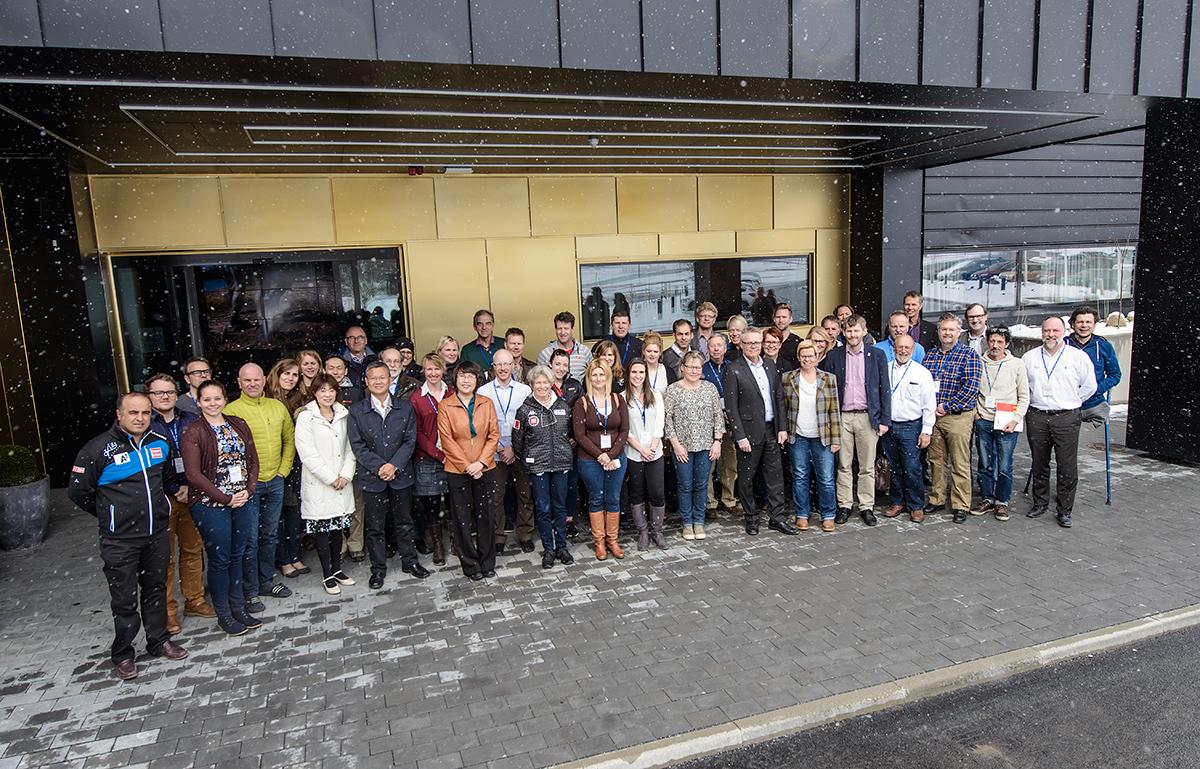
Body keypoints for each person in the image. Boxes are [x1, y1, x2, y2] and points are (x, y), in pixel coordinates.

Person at [69, 392, 189, 680]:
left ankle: (158, 641)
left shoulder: (159, 444)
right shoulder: (97, 449)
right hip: (120, 540)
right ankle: (123, 654)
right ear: (119, 414)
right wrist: (111, 515)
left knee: (156, 589)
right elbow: (78, 492)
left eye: (145, 413)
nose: (140, 418)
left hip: (156, 533)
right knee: (123, 599)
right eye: (133, 413)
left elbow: (167, 479)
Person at [181, 380, 262, 637]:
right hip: (210, 504)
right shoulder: (193, 431)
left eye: (217, 398)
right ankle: (224, 613)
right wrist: (225, 498)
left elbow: (253, 460)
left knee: (238, 554)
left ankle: (238, 608)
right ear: (199, 402)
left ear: (225, 399)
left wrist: (248, 490)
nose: (213, 403)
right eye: (207, 399)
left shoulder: (238, 424)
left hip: (242, 500)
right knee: (220, 559)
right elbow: (193, 475)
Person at [347, 361, 430, 588]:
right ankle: (378, 569)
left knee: (404, 521)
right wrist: (380, 467)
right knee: (375, 527)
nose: (377, 381)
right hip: (373, 479)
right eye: (372, 378)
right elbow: (358, 445)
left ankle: (410, 562)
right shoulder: (356, 411)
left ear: (390, 379)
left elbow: (410, 440)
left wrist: (394, 465)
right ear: (366, 381)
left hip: (400, 475)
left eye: (382, 377)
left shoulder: (404, 408)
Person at [145, 374, 214, 636]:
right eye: (158, 393)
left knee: (193, 550)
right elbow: (150, 466)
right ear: (149, 396)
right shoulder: (145, 425)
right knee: (165, 557)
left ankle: (195, 600)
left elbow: (205, 453)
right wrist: (175, 488)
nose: (165, 396)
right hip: (162, 498)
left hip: (192, 493)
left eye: (169, 392)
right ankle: (168, 612)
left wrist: (192, 486)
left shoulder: (191, 420)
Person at [223, 363, 296, 606]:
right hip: (247, 486)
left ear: (265, 380)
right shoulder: (230, 411)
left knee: (270, 534)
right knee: (249, 539)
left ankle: (267, 581)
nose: (253, 384)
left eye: (257, 379)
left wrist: (283, 471)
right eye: (247, 380)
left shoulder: (277, 407)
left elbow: (290, 440)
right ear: (239, 382)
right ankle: (250, 589)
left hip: (274, 480)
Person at [1022, 316, 1097, 528]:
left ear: (1063, 332)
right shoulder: (1030, 357)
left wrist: (1072, 402)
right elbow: (1024, 387)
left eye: (1055, 331)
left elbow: (1089, 386)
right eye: (1047, 331)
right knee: (1039, 462)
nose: (1051, 335)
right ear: (1041, 332)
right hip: (1037, 415)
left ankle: (1064, 509)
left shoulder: (1077, 357)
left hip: (1066, 416)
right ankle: (1040, 503)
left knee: (1067, 465)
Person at [819, 314, 891, 526]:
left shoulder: (876, 356)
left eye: (856, 330)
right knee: (843, 465)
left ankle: (867, 506)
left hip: (868, 417)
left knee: (867, 466)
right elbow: (828, 391)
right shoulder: (834, 356)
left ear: (864, 331)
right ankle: (844, 505)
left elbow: (884, 389)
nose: (852, 334)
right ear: (843, 332)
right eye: (849, 331)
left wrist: (884, 420)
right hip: (842, 417)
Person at [723, 328, 794, 536]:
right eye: (749, 343)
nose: (753, 346)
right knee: (746, 479)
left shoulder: (770, 365)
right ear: (741, 345)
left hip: (772, 429)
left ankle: (777, 518)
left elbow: (779, 398)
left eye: (757, 343)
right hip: (748, 433)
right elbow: (731, 407)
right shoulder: (734, 369)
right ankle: (752, 517)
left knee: (775, 477)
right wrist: (740, 436)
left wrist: (782, 428)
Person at [293, 374, 357, 595]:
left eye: (331, 390)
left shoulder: (344, 413)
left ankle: (338, 570)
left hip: (342, 480)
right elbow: (307, 454)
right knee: (322, 531)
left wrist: (345, 475)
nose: (327, 395)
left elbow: (351, 447)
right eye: (322, 391)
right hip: (320, 483)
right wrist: (331, 478)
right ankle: (327, 574)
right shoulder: (305, 417)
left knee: (338, 528)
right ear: (315, 393)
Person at [438, 360, 501, 581]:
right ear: (455, 379)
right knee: (462, 518)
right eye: (462, 376)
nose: (466, 380)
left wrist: (481, 463)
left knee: (486, 515)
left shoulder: (486, 403)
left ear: (477, 380)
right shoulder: (446, 406)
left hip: (485, 468)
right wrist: (467, 465)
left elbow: (494, 435)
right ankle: (470, 564)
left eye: (471, 376)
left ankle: (487, 561)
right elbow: (447, 440)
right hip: (457, 471)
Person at [512, 365, 576, 568]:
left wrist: (564, 451)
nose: (542, 386)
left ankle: (562, 547)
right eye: (537, 382)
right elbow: (517, 442)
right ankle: (548, 549)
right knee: (543, 508)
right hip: (538, 466)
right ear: (531, 385)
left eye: (545, 382)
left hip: (561, 464)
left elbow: (572, 435)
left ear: (551, 384)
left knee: (560, 506)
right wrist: (530, 459)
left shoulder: (563, 406)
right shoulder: (524, 410)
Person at [923, 313, 984, 523]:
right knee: (936, 461)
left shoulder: (969, 355)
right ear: (938, 331)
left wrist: (947, 407)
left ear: (959, 332)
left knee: (960, 462)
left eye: (951, 329)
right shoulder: (930, 355)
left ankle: (960, 504)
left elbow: (971, 387)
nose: (947, 333)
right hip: (934, 417)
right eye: (944, 329)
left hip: (957, 417)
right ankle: (937, 498)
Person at [478, 349, 535, 555]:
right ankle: (498, 536)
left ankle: (525, 534)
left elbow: (530, 424)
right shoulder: (483, 392)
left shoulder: (524, 391)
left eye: (507, 364)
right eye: (499, 364)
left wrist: (513, 448)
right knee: (495, 497)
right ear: (493, 367)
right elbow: (480, 426)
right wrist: (500, 448)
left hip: (519, 451)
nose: (503, 368)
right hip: (494, 452)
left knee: (525, 494)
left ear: (514, 366)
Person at [663, 351, 725, 541]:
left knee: (701, 484)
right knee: (685, 485)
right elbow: (667, 420)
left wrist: (718, 441)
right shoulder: (673, 390)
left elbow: (718, 416)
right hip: (682, 447)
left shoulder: (710, 388)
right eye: (689, 366)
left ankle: (699, 521)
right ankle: (687, 523)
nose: (693, 370)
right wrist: (675, 444)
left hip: (706, 446)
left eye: (697, 367)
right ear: (682, 367)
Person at [781, 341, 842, 532]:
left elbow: (834, 409)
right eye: (803, 355)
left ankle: (828, 515)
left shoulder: (828, 379)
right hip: (797, 435)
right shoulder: (787, 378)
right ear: (798, 357)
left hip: (822, 436)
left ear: (817, 357)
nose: (807, 359)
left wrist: (836, 438)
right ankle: (802, 514)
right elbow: (783, 408)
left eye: (811, 356)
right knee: (800, 476)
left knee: (826, 477)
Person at [573, 359, 630, 559]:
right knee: (596, 497)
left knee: (613, 498)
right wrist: (600, 455)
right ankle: (599, 543)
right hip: (590, 460)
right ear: (589, 378)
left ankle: (613, 541)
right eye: (594, 375)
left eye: (602, 374)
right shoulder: (582, 403)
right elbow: (579, 435)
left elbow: (624, 430)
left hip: (616, 457)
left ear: (608, 376)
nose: (598, 378)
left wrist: (611, 454)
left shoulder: (617, 399)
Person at [973, 326, 1029, 522]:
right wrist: (975, 414)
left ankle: (1002, 501)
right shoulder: (978, 362)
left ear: (1006, 344)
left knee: (1004, 465)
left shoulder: (1017, 365)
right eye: (992, 341)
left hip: (1007, 422)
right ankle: (987, 497)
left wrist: (1016, 419)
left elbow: (1024, 395)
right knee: (984, 463)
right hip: (984, 420)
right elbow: (972, 390)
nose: (995, 345)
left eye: (999, 342)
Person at [879, 335, 936, 523]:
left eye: (907, 348)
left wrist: (926, 430)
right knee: (893, 467)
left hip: (911, 426)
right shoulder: (884, 370)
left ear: (913, 349)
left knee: (912, 467)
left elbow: (929, 405)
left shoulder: (921, 373)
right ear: (894, 348)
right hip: (889, 426)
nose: (903, 351)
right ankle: (897, 502)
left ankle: (916, 505)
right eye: (900, 347)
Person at [265, 358, 308, 580]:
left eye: (295, 375)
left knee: (294, 512)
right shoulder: (267, 399)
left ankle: (294, 555)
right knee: (276, 516)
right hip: (275, 465)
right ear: (277, 374)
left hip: (296, 464)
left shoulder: (299, 399)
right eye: (287, 374)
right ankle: (283, 560)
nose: (291, 379)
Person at [411, 353, 453, 566]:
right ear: (423, 371)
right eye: (429, 369)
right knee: (431, 504)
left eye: (437, 369)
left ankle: (456, 540)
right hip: (428, 458)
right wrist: (437, 454)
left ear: (443, 370)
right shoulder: (417, 397)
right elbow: (417, 433)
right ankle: (437, 544)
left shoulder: (452, 393)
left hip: (454, 456)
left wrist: (451, 453)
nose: (433, 373)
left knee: (455, 501)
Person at [622, 359, 667, 550]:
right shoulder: (622, 397)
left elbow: (660, 424)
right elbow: (625, 429)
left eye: (641, 372)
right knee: (637, 493)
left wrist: (652, 447)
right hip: (633, 452)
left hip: (654, 453)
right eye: (634, 372)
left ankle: (657, 531)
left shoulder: (655, 395)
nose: (638, 376)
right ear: (628, 374)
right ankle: (643, 532)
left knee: (657, 492)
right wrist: (641, 448)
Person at [549, 347, 584, 534]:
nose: (561, 368)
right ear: (550, 365)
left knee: (571, 484)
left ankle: (568, 520)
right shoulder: (543, 384)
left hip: (572, 445)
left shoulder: (575, 386)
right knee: (555, 486)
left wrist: (575, 438)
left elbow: (581, 415)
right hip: (550, 446)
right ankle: (555, 521)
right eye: (557, 364)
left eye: (565, 365)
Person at [1066, 306, 1122, 423]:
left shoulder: (1103, 346)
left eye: (1088, 322)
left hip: (1094, 401)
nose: (1084, 325)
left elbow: (1115, 374)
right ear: (1072, 324)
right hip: (1065, 400)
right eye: (1080, 322)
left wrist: (1097, 389)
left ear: (1094, 324)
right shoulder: (1062, 344)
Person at [703, 334, 738, 513]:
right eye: (712, 346)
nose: (716, 349)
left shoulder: (733, 368)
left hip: (731, 420)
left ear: (725, 348)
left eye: (719, 345)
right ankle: (709, 502)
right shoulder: (702, 370)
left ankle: (729, 499)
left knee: (729, 461)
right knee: (709, 464)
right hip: (709, 422)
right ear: (707, 349)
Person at [537, 311, 592, 381]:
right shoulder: (545, 354)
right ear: (556, 330)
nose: (562, 332)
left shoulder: (584, 351)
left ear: (572, 330)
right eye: (559, 328)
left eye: (566, 328)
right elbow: (539, 380)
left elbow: (592, 377)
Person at [461, 309, 503, 373]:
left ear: (493, 325)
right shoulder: (467, 350)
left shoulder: (503, 344)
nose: (484, 327)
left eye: (488, 324)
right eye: (480, 324)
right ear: (475, 327)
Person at [641, 331, 674, 396]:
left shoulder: (668, 371)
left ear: (660, 353)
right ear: (643, 351)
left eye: (655, 351)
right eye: (649, 351)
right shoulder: (636, 370)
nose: (652, 354)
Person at [773, 303, 803, 367]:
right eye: (778, 317)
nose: (781, 320)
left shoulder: (798, 343)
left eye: (784, 317)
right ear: (774, 319)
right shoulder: (766, 341)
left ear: (790, 319)